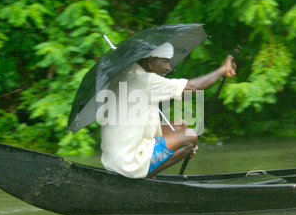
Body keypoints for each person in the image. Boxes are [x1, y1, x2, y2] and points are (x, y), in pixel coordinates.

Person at [99, 42, 236, 179]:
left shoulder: (124, 76)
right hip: (129, 164)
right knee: (189, 136)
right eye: (165, 62)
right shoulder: (144, 79)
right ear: (151, 62)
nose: (168, 67)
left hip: (117, 158)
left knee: (180, 125)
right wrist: (222, 70)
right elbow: (193, 87)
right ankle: (144, 179)